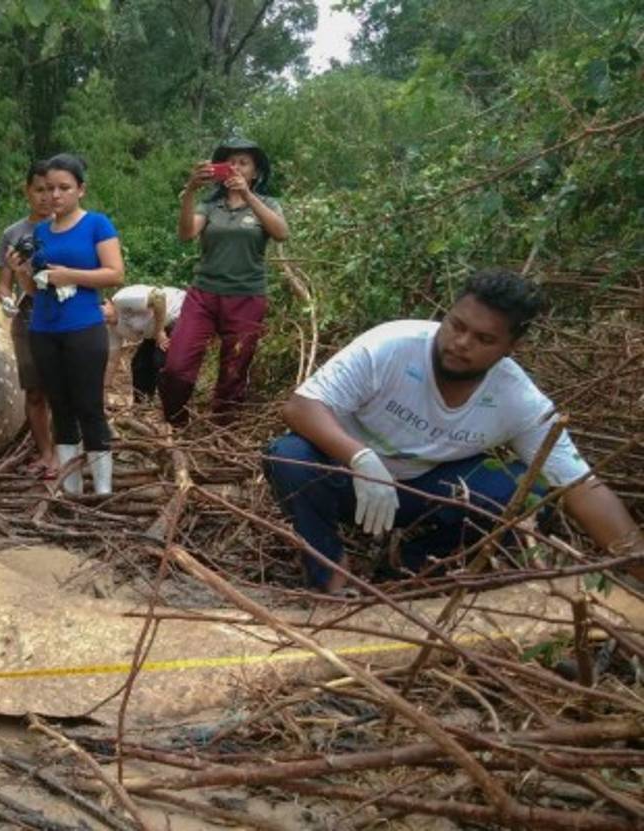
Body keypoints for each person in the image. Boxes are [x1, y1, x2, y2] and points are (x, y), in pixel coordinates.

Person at [263, 269, 643, 594]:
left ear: (511, 346)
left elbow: (582, 487)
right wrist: (359, 457)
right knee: (288, 456)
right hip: (349, 481)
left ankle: (413, 568)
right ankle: (329, 573)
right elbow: (301, 407)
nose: (461, 344)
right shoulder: (392, 346)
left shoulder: (516, 397)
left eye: (484, 339)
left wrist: (636, 562)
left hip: (425, 492)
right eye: (457, 325)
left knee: (529, 492)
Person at [9, 153, 124, 495]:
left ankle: (103, 488)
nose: (55, 195)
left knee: (89, 405)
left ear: (80, 190)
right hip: (43, 327)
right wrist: (21, 272)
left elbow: (115, 273)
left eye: (64, 187)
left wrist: (68, 275)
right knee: (59, 406)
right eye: (48, 189)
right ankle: (71, 486)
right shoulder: (41, 231)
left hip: (84, 325)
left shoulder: (97, 225)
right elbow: (35, 288)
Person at [161, 135, 288, 426]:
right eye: (230, 162)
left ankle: (221, 435)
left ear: (255, 172)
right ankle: (175, 425)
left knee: (234, 372)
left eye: (243, 163)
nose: (236, 167)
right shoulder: (210, 205)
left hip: (247, 297)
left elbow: (281, 233)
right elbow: (185, 234)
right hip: (204, 294)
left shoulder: (267, 203)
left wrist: (248, 196)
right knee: (176, 365)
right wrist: (190, 191)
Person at [0, 161, 57, 478]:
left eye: (53, 189)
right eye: (40, 190)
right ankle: (45, 454)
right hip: (29, 313)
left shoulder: (70, 226)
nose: (47, 197)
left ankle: (66, 452)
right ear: (27, 191)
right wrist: (7, 300)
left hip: (64, 314)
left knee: (65, 388)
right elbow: (4, 283)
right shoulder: (14, 233)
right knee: (35, 390)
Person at [102, 284, 186, 401]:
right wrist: (104, 390)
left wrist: (160, 331)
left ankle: (171, 404)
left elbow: (158, 297)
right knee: (140, 364)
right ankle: (143, 403)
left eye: (101, 309)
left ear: (107, 302)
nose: (102, 316)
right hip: (154, 330)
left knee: (160, 359)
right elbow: (112, 360)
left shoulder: (121, 299)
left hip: (177, 313)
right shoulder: (112, 327)